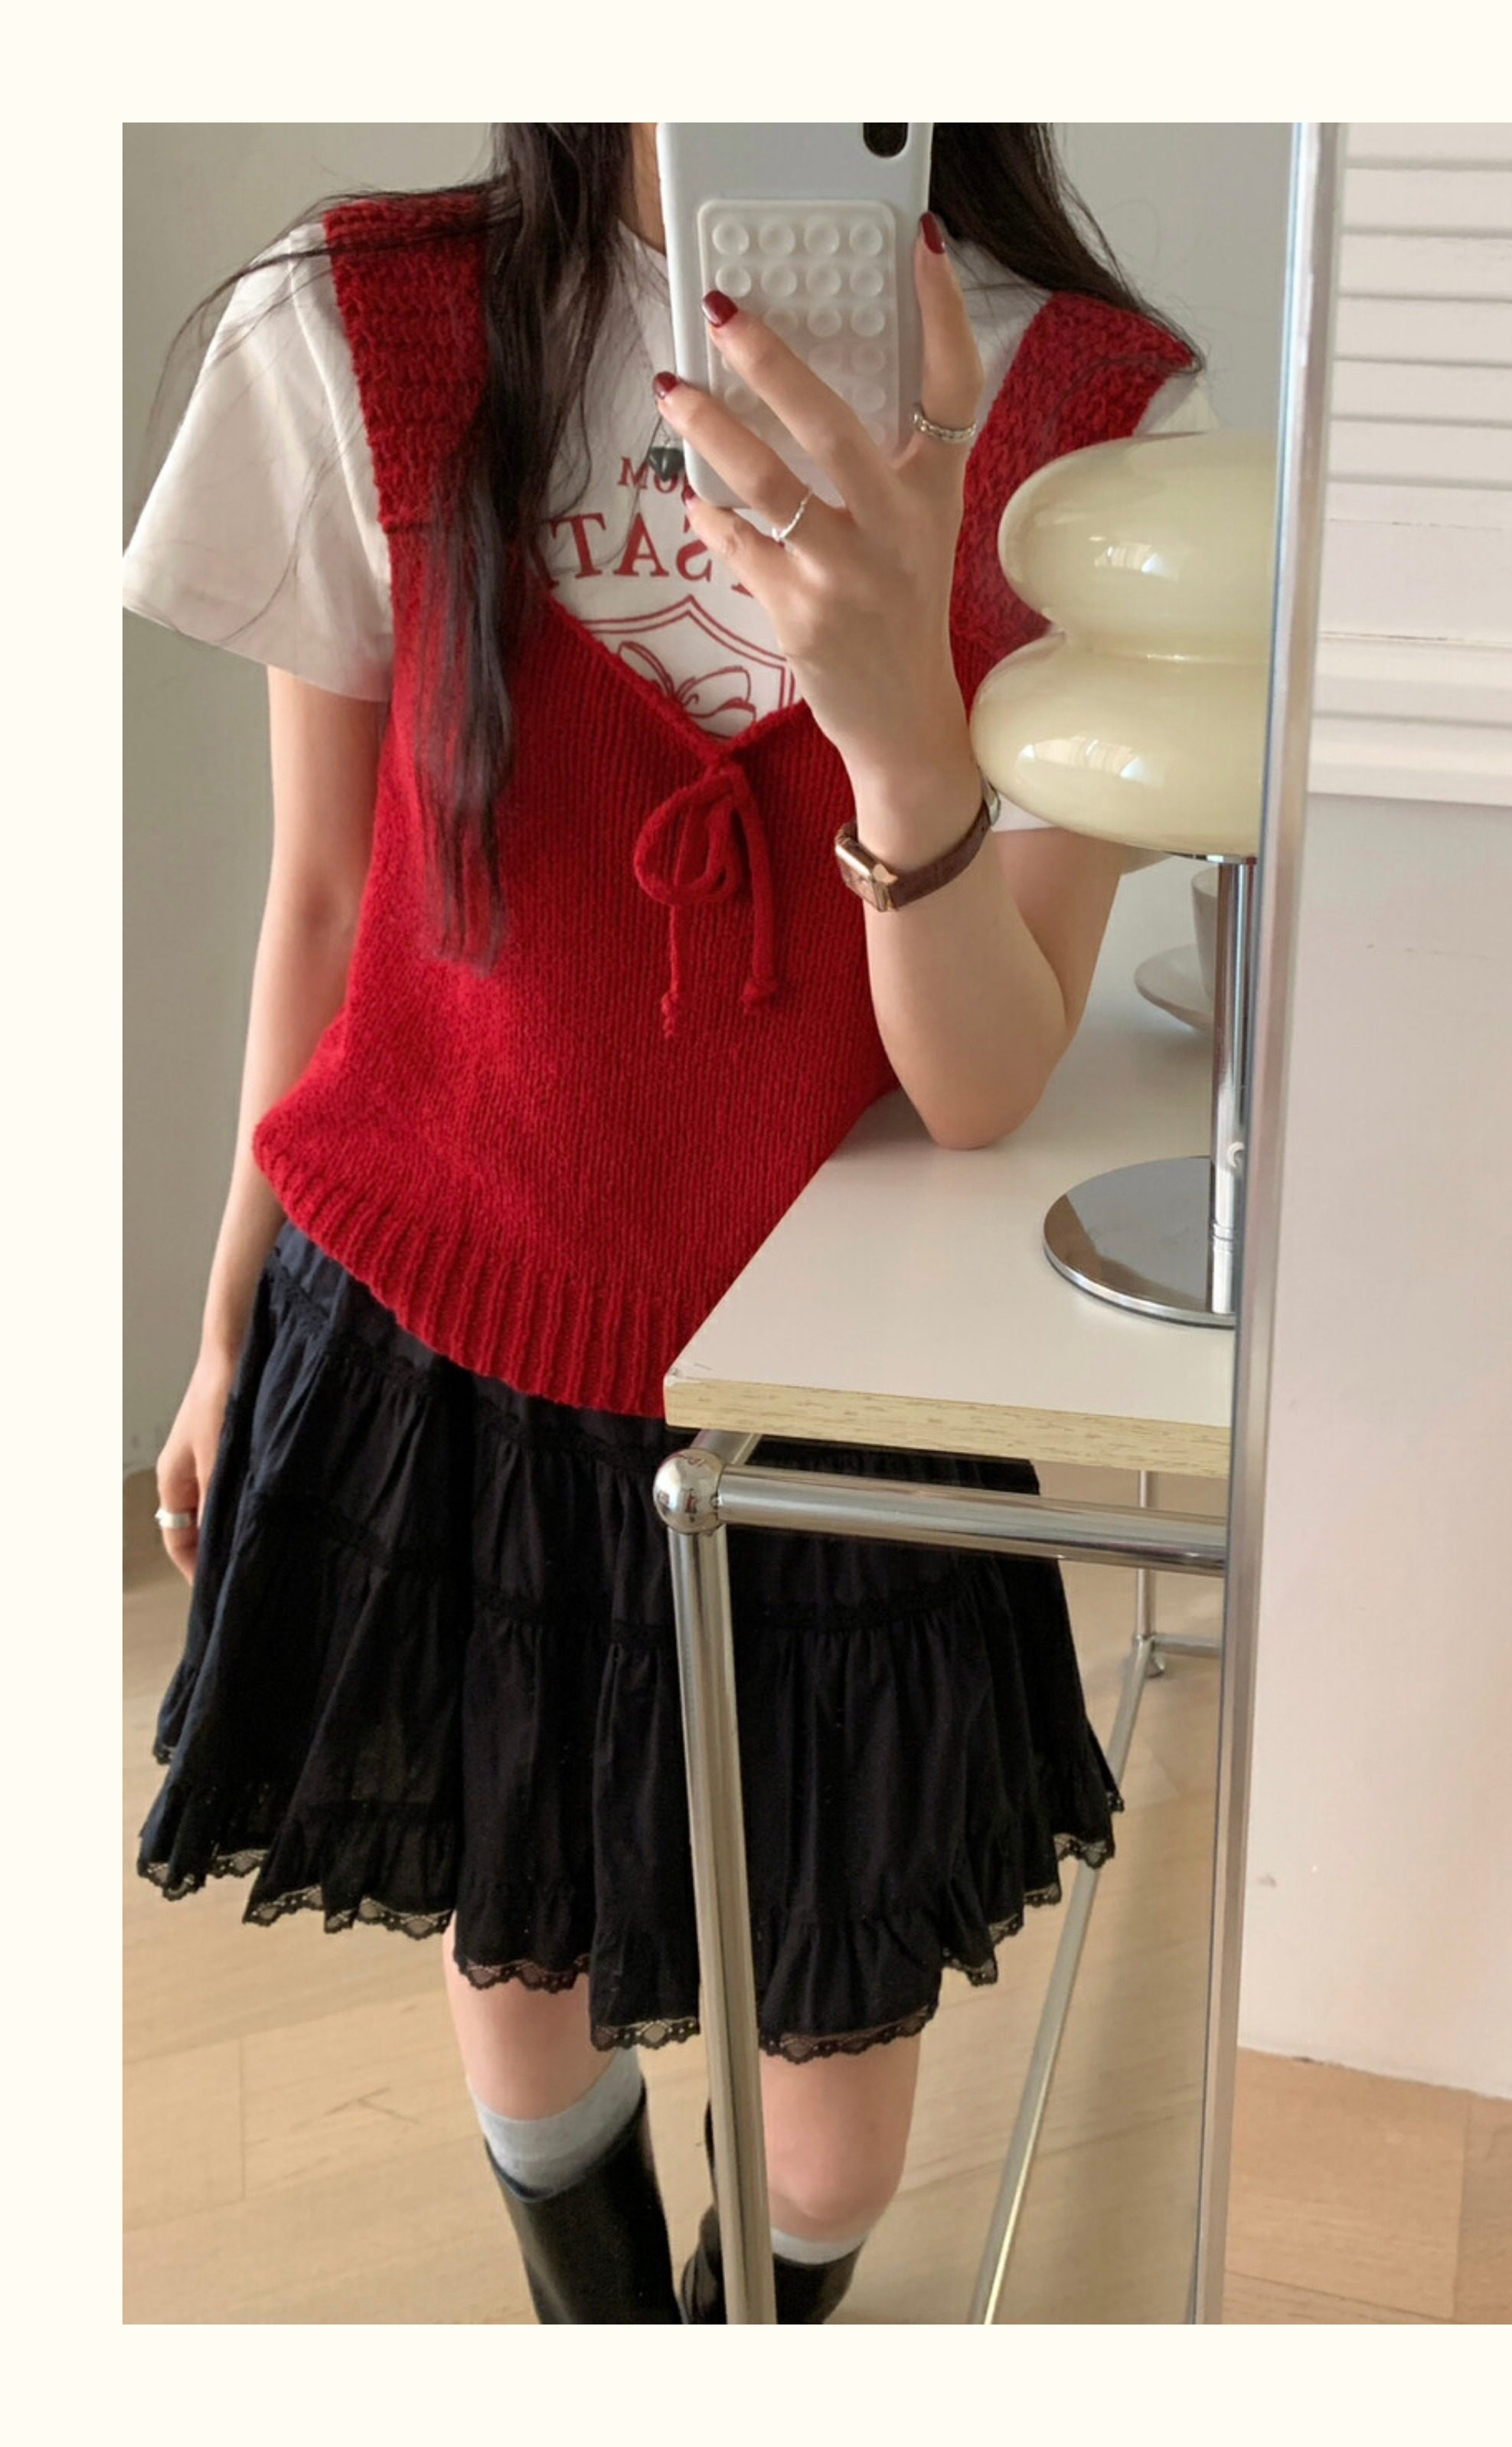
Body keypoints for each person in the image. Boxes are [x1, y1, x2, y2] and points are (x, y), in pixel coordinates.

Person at [123, 122, 1213, 2324]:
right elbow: (328, 898)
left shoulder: (1093, 421)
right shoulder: (364, 329)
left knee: (831, 2130)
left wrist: (898, 730)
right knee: (521, 1967)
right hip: (443, 1324)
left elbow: (979, 1078)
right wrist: (228, 1326)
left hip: (833, 1385)